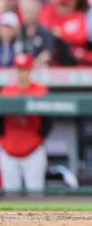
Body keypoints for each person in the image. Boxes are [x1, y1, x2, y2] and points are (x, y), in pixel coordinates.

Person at [0, 53, 50, 193]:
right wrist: (3, 140)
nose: (22, 73)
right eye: (19, 69)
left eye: (25, 69)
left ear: (30, 70)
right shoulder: (6, 91)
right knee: (11, 196)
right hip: (9, 150)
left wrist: (38, 138)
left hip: (33, 151)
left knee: (36, 195)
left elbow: (48, 121)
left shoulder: (40, 91)